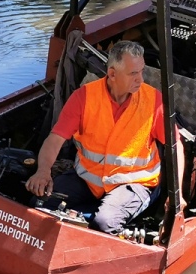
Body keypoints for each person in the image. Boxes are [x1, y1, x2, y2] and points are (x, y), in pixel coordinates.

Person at [25, 40, 183, 233]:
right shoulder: (84, 97)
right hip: (87, 181)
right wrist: (43, 171)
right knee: (40, 203)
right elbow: (55, 139)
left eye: (141, 71)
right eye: (133, 73)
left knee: (105, 222)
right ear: (112, 74)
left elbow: (177, 146)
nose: (140, 79)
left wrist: (178, 195)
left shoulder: (154, 101)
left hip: (133, 184)